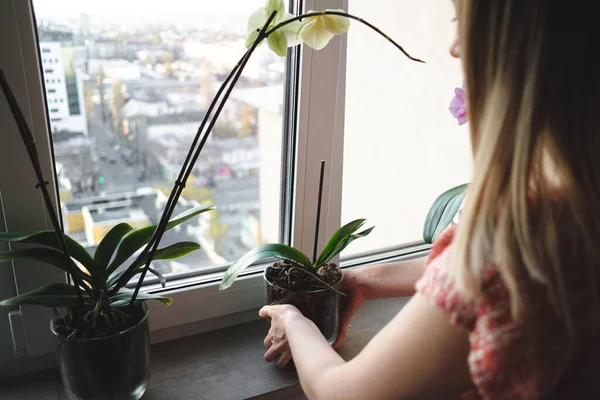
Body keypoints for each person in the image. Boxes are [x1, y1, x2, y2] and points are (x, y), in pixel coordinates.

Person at [258, 0, 600, 398]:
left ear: (518, 45)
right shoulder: (575, 206)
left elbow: (342, 394)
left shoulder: (518, 243)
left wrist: (293, 319)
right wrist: (368, 279)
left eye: (462, 22)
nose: (455, 46)